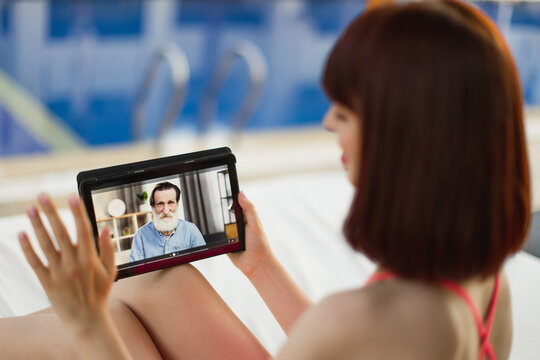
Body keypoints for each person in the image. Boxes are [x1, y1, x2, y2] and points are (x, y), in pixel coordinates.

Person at [6, 0, 529, 359]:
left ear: (402, 140)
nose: (328, 124)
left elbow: (351, 337)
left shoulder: (361, 318)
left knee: (109, 324)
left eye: (344, 114)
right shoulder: (486, 286)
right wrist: (261, 267)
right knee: (157, 277)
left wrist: (86, 324)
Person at [129, 182, 206, 262]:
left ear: (177, 204)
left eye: (170, 203)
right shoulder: (140, 236)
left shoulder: (191, 230)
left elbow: (203, 263)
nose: (166, 211)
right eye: (160, 204)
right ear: (153, 207)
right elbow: (137, 272)